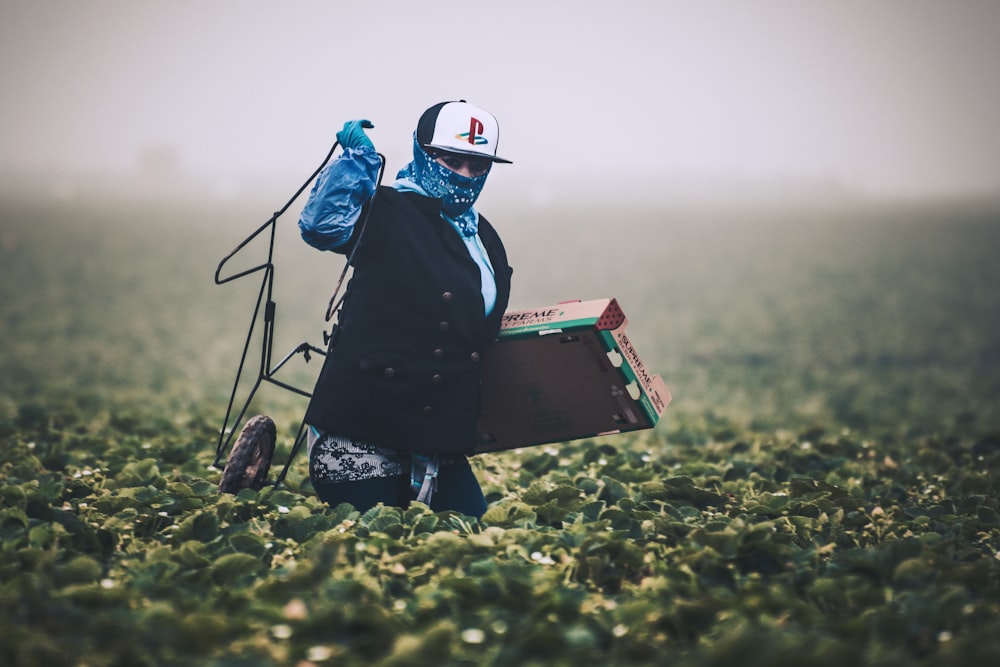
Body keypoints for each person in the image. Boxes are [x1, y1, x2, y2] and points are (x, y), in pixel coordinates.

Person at [297, 100, 513, 519]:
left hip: (438, 442)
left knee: (476, 538)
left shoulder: (484, 236)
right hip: (362, 433)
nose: (465, 176)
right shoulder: (388, 211)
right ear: (422, 153)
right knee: (379, 558)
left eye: (478, 166)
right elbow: (322, 226)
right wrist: (357, 162)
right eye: (452, 161)